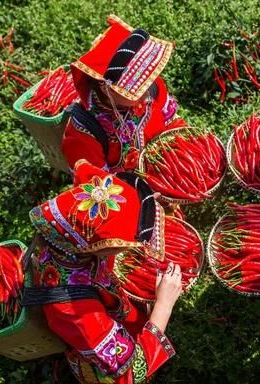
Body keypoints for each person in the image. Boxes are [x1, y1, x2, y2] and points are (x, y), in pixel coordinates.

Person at [28, 160, 181, 383]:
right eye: (124, 244)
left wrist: (136, 207)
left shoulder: (68, 229)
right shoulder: (75, 311)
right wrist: (164, 306)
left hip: (108, 311)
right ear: (99, 245)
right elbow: (132, 372)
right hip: (105, 366)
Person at [62, 15, 187, 173]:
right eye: (135, 88)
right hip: (127, 192)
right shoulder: (84, 129)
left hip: (166, 170)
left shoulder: (151, 86)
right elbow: (98, 184)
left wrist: (185, 153)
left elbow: (172, 124)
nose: (145, 91)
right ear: (105, 89)